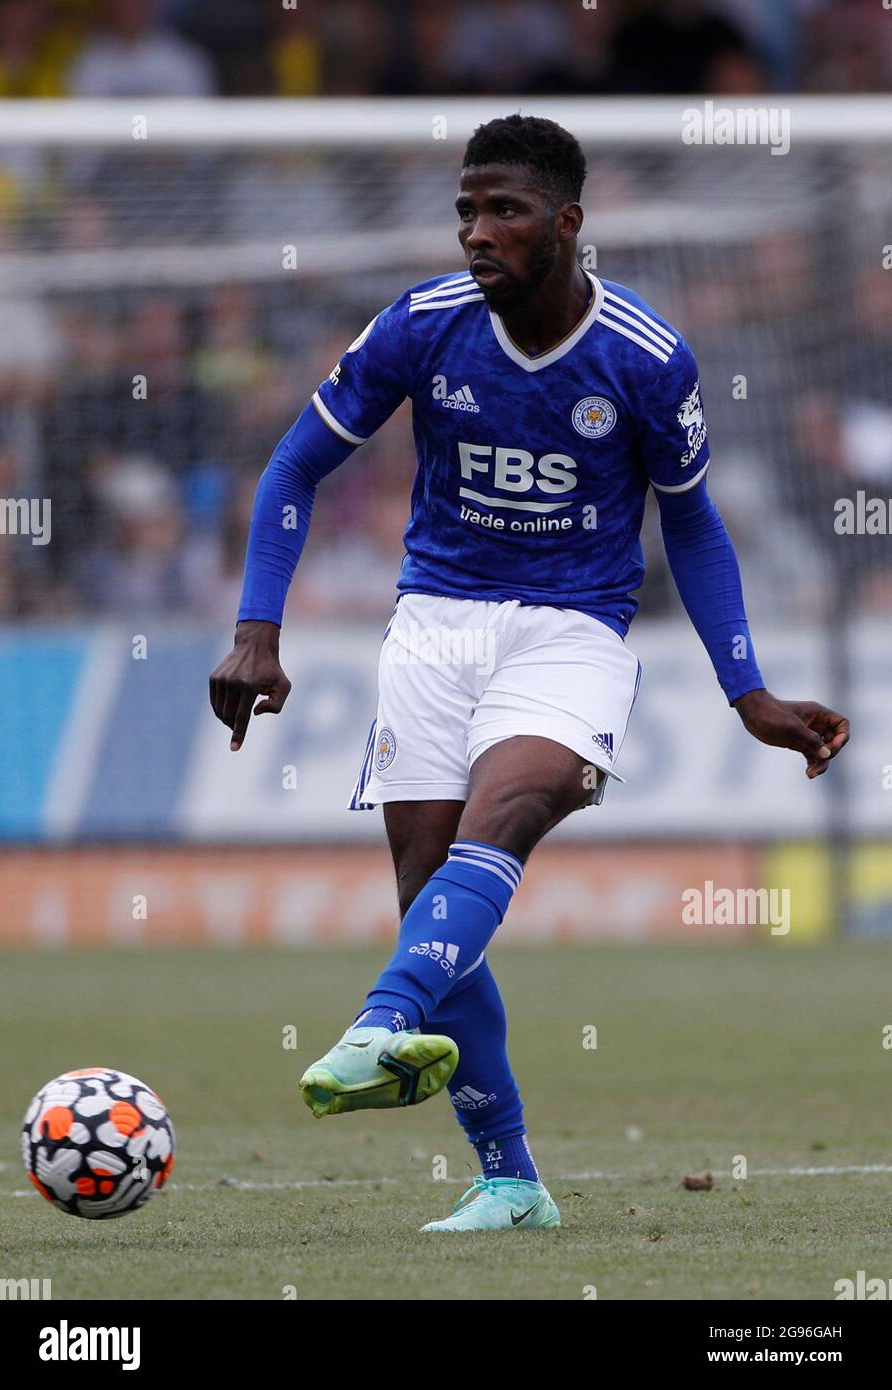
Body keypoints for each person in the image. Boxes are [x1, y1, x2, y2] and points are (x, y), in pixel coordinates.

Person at [209, 115, 849, 1233]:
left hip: (575, 629)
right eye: (465, 209)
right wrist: (258, 627)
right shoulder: (423, 325)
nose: (476, 232)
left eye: (502, 210)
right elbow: (294, 464)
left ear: (568, 222)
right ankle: (510, 1178)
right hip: (433, 625)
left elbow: (692, 527)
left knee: (506, 812)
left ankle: (378, 1021)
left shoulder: (647, 359)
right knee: (430, 896)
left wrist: (748, 691)